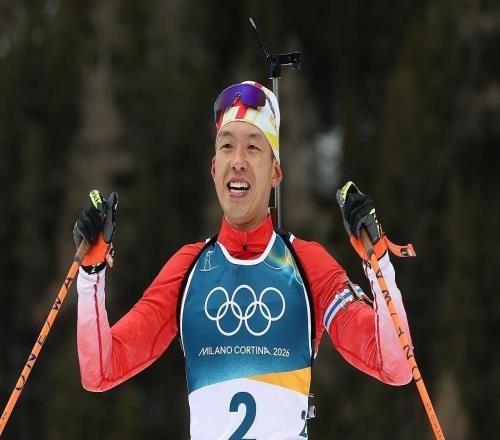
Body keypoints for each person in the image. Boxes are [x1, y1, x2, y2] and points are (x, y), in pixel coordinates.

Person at [74, 80, 412, 439]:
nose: (237, 161)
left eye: (252, 147)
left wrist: (378, 264)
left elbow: (395, 365)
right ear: (213, 167)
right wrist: (90, 275)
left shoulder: (306, 264)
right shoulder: (188, 269)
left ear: (275, 172)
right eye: (227, 146)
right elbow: (101, 371)